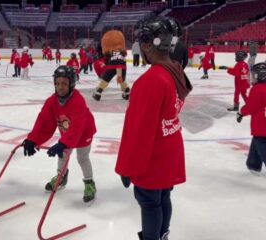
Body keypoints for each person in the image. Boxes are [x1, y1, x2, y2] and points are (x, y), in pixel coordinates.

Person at [115, 16, 192, 240]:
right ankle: (163, 234)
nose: (141, 48)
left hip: (153, 155)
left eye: (142, 43)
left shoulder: (151, 81)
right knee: (163, 196)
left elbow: (138, 132)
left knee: (149, 202)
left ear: (150, 44)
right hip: (170, 148)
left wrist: (127, 167)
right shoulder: (176, 70)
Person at [22, 65, 97, 203]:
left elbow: (77, 126)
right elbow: (44, 122)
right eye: (57, 83)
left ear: (71, 84)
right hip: (68, 133)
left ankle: (89, 183)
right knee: (63, 155)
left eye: (64, 84)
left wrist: (63, 143)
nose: (60, 87)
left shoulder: (78, 100)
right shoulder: (52, 102)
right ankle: (61, 177)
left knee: (82, 158)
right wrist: (32, 140)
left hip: (84, 131)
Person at [236, 62, 266, 175]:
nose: (252, 78)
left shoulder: (257, 89)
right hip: (262, 127)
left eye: (254, 75)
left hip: (262, 126)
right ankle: (253, 164)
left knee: (261, 142)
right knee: (256, 141)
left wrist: (241, 113)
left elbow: (251, 107)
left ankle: (253, 164)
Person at [92, 30, 130, 101]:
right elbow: (125, 54)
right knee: (122, 80)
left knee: (105, 80)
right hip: (122, 64)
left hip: (112, 64)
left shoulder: (110, 51)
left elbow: (105, 57)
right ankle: (127, 92)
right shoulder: (122, 51)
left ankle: (98, 92)